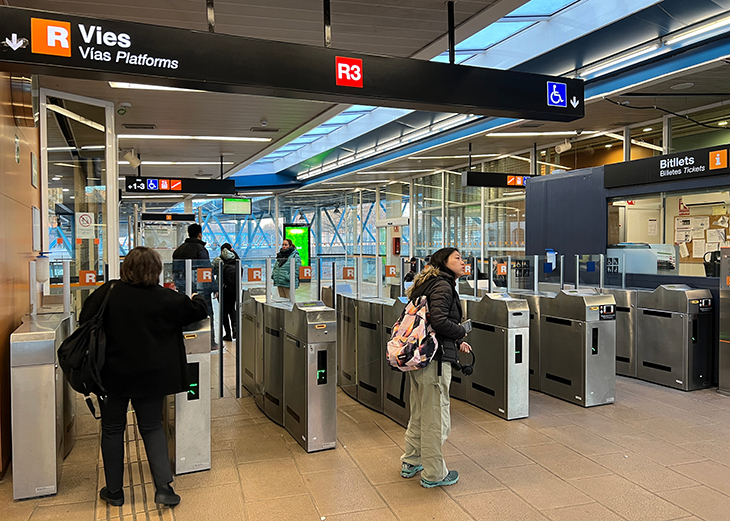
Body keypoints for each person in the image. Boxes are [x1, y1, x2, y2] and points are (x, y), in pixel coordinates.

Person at [78, 247, 209, 508]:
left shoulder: (109, 292)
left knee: (112, 429)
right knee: (151, 427)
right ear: (156, 271)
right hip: (151, 377)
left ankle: (114, 491)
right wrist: (198, 297)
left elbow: (85, 318)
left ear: (126, 268)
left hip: (111, 376)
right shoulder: (165, 298)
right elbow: (198, 310)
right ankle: (164, 488)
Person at [400, 247, 471, 488]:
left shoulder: (427, 284)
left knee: (420, 411)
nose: (463, 262)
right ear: (444, 263)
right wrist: (461, 331)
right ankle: (434, 473)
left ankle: (411, 461)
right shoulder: (443, 285)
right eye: (458, 258)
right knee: (435, 416)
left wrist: (456, 341)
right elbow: (440, 322)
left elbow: (430, 322)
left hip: (419, 357)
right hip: (435, 360)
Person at [219, 247, 238, 342]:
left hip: (225, 291)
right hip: (235, 291)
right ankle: (235, 329)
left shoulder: (222, 265)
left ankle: (227, 334)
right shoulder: (237, 264)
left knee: (224, 312)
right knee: (232, 309)